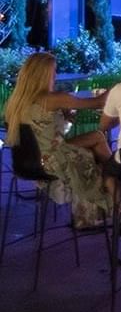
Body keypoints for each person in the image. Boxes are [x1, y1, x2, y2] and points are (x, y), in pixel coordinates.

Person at [3, 52, 112, 229]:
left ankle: (97, 207)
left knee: (96, 138)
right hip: (53, 161)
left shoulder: (15, 102)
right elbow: (98, 102)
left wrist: (64, 117)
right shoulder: (54, 99)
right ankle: (114, 192)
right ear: (45, 74)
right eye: (54, 71)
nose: (56, 74)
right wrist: (116, 89)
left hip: (29, 162)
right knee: (96, 148)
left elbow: (41, 131)